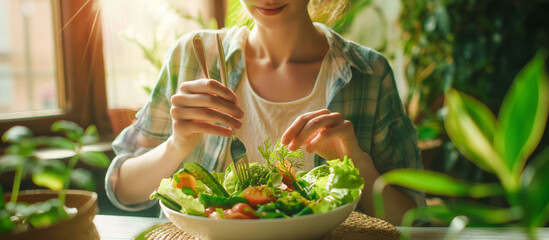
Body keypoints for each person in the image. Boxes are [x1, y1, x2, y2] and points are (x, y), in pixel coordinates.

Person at [105, 0, 425, 225]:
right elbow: (122, 189)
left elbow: (411, 219)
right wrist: (176, 145)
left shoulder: (368, 73)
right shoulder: (191, 57)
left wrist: (357, 161)